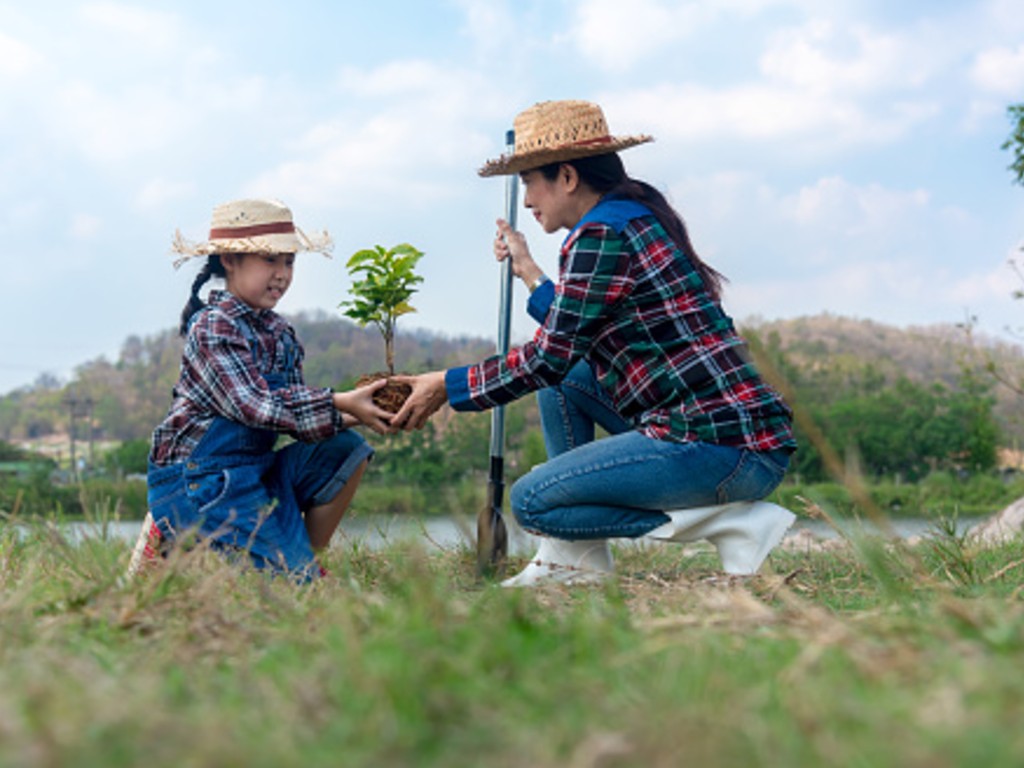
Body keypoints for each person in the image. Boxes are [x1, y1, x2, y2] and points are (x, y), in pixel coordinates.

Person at [392, 100, 798, 587]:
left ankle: (732, 522)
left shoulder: (601, 234)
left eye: (529, 182)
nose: (525, 200)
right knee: (565, 383)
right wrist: (528, 270)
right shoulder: (629, 218)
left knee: (533, 502)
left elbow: (547, 355)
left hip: (722, 447)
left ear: (566, 176)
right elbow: (575, 332)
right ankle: (574, 562)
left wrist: (446, 385)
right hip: (730, 437)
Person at [147, 198, 393, 581]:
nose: (282, 274)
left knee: (345, 450)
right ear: (229, 261)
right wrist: (341, 402)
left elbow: (297, 420)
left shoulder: (280, 333)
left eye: (289, 262)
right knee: (295, 595)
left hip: (254, 473)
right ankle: (174, 535)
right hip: (201, 481)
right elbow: (255, 406)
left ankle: (304, 563)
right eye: (270, 260)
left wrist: (370, 411)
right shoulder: (213, 327)